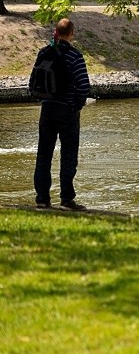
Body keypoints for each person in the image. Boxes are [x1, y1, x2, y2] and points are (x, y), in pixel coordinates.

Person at [30, 19, 91, 211]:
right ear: (71, 33)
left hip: (47, 109)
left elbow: (33, 82)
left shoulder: (44, 52)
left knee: (44, 154)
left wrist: (45, 100)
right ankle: (66, 199)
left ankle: (42, 198)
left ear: (56, 32)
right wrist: (77, 105)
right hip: (68, 111)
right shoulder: (75, 56)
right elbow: (83, 87)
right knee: (68, 156)